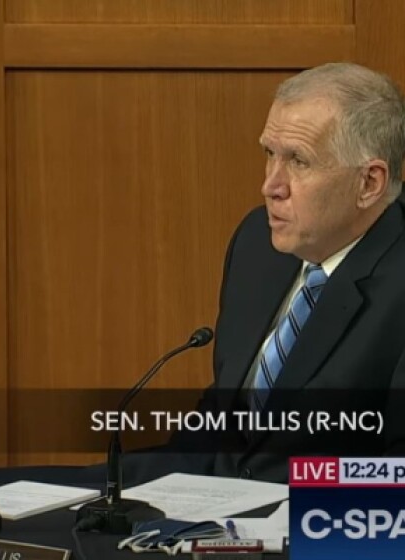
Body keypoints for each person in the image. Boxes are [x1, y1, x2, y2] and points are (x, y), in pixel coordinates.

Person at [123, 62, 405, 485]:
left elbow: (393, 476)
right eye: (269, 153)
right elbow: (224, 421)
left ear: (370, 183)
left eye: (298, 161)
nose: (271, 185)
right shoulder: (259, 242)